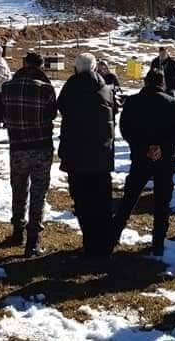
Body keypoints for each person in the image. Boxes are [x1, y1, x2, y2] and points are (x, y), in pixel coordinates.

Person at [114, 70, 175, 257]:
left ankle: (112, 236)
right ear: (162, 83)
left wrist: (143, 147)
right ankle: (158, 244)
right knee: (162, 202)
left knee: (129, 198)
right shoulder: (172, 103)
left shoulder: (132, 102)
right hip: (165, 159)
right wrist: (162, 148)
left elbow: (125, 128)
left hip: (140, 157)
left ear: (145, 82)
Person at [58, 53, 116, 259]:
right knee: (102, 202)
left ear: (76, 68)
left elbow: (61, 107)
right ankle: (105, 245)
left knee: (83, 202)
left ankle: (90, 245)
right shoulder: (106, 87)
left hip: (77, 155)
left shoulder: (71, 86)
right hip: (102, 154)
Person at [2, 52, 58, 257]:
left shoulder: (7, 87)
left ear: (24, 64)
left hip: (17, 146)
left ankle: (17, 229)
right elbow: (52, 113)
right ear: (41, 66)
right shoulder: (45, 89)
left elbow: (2, 113)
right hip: (41, 146)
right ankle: (32, 240)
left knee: (18, 189)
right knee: (38, 193)